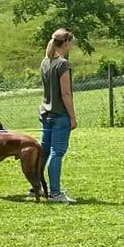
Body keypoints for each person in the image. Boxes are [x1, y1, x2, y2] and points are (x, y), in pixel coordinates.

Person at [39, 27, 76, 204]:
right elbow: (66, 93)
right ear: (66, 42)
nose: (72, 45)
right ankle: (55, 193)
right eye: (71, 41)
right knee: (57, 152)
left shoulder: (45, 62)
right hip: (60, 114)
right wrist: (73, 117)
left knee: (44, 151)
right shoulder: (63, 64)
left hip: (46, 113)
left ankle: (37, 187)